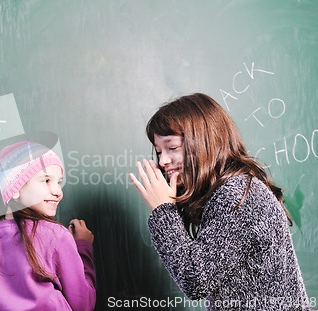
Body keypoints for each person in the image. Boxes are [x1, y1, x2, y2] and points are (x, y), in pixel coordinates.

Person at [129, 93, 311, 310]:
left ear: (204, 142)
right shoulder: (231, 191)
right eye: (159, 151)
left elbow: (195, 278)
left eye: (172, 148)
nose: (163, 161)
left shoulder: (238, 195)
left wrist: (163, 211)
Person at [0, 141, 96, 311]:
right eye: (46, 180)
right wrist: (83, 246)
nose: (58, 191)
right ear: (15, 188)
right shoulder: (56, 236)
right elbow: (83, 304)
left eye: (59, 182)